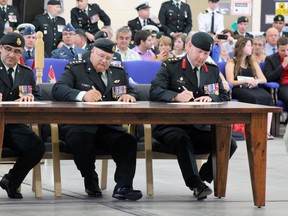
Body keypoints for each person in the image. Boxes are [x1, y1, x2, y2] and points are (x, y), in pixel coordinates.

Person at [150, 32, 237, 200]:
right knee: (183, 139)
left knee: (228, 142)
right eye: (199, 52)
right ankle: (195, 183)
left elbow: (225, 96)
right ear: (189, 46)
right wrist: (175, 96)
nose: (202, 57)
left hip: (199, 127)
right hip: (171, 126)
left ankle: (202, 177)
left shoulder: (211, 70)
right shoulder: (171, 66)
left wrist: (211, 97)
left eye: (206, 53)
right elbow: (154, 91)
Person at [52, 38, 142, 201]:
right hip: (79, 126)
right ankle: (90, 180)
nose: (104, 61)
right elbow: (58, 89)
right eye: (101, 56)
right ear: (92, 52)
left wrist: (130, 95)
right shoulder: (76, 68)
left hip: (108, 127)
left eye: (108, 58)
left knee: (128, 141)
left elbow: (134, 92)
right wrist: (82, 95)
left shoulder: (118, 71)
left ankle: (123, 186)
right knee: (81, 140)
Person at [0, 33, 45, 199]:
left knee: (36, 146)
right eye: (8, 49)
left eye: (17, 51)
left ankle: (11, 180)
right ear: (1, 48)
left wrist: (31, 98)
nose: (12, 55)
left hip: (14, 125)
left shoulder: (26, 73)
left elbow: (39, 98)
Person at [226, 37, 274, 139]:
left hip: (252, 87)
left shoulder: (253, 62)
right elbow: (230, 81)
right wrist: (245, 81)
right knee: (253, 98)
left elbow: (263, 79)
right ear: (242, 47)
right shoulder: (232, 62)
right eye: (249, 45)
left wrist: (256, 81)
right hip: (239, 88)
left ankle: (266, 131)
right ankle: (255, 129)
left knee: (268, 97)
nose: (252, 48)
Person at [264, 37, 288, 112]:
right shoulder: (270, 59)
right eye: (283, 51)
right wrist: (283, 66)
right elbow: (269, 78)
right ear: (277, 49)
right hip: (281, 86)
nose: (286, 53)